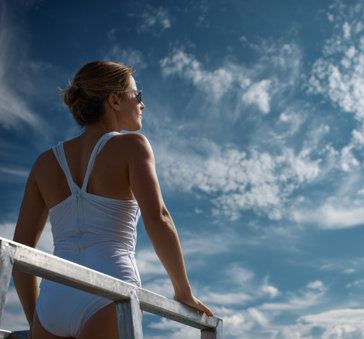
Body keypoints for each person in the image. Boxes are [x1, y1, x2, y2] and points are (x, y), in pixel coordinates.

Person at [12, 61, 213, 339]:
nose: (143, 105)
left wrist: (37, 320)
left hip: (53, 298)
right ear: (114, 100)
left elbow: (21, 250)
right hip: (110, 291)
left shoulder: (44, 163)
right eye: (138, 95)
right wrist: (183, 291)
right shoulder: (132, 146)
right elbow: (159, 218)